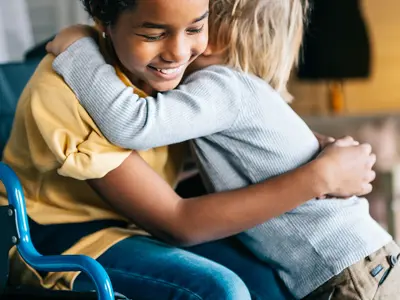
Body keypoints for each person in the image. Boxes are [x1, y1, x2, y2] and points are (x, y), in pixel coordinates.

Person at [0, 0, 375, 299]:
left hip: (140, 224)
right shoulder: (67, 94)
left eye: (195, 27)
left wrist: (316, 150)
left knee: (273, 282)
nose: (178, 52)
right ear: (104, 20)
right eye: (153, 33)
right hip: (62, 235)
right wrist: (318, 176)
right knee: (219, 290)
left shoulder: (176, 79)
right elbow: (177, 222)